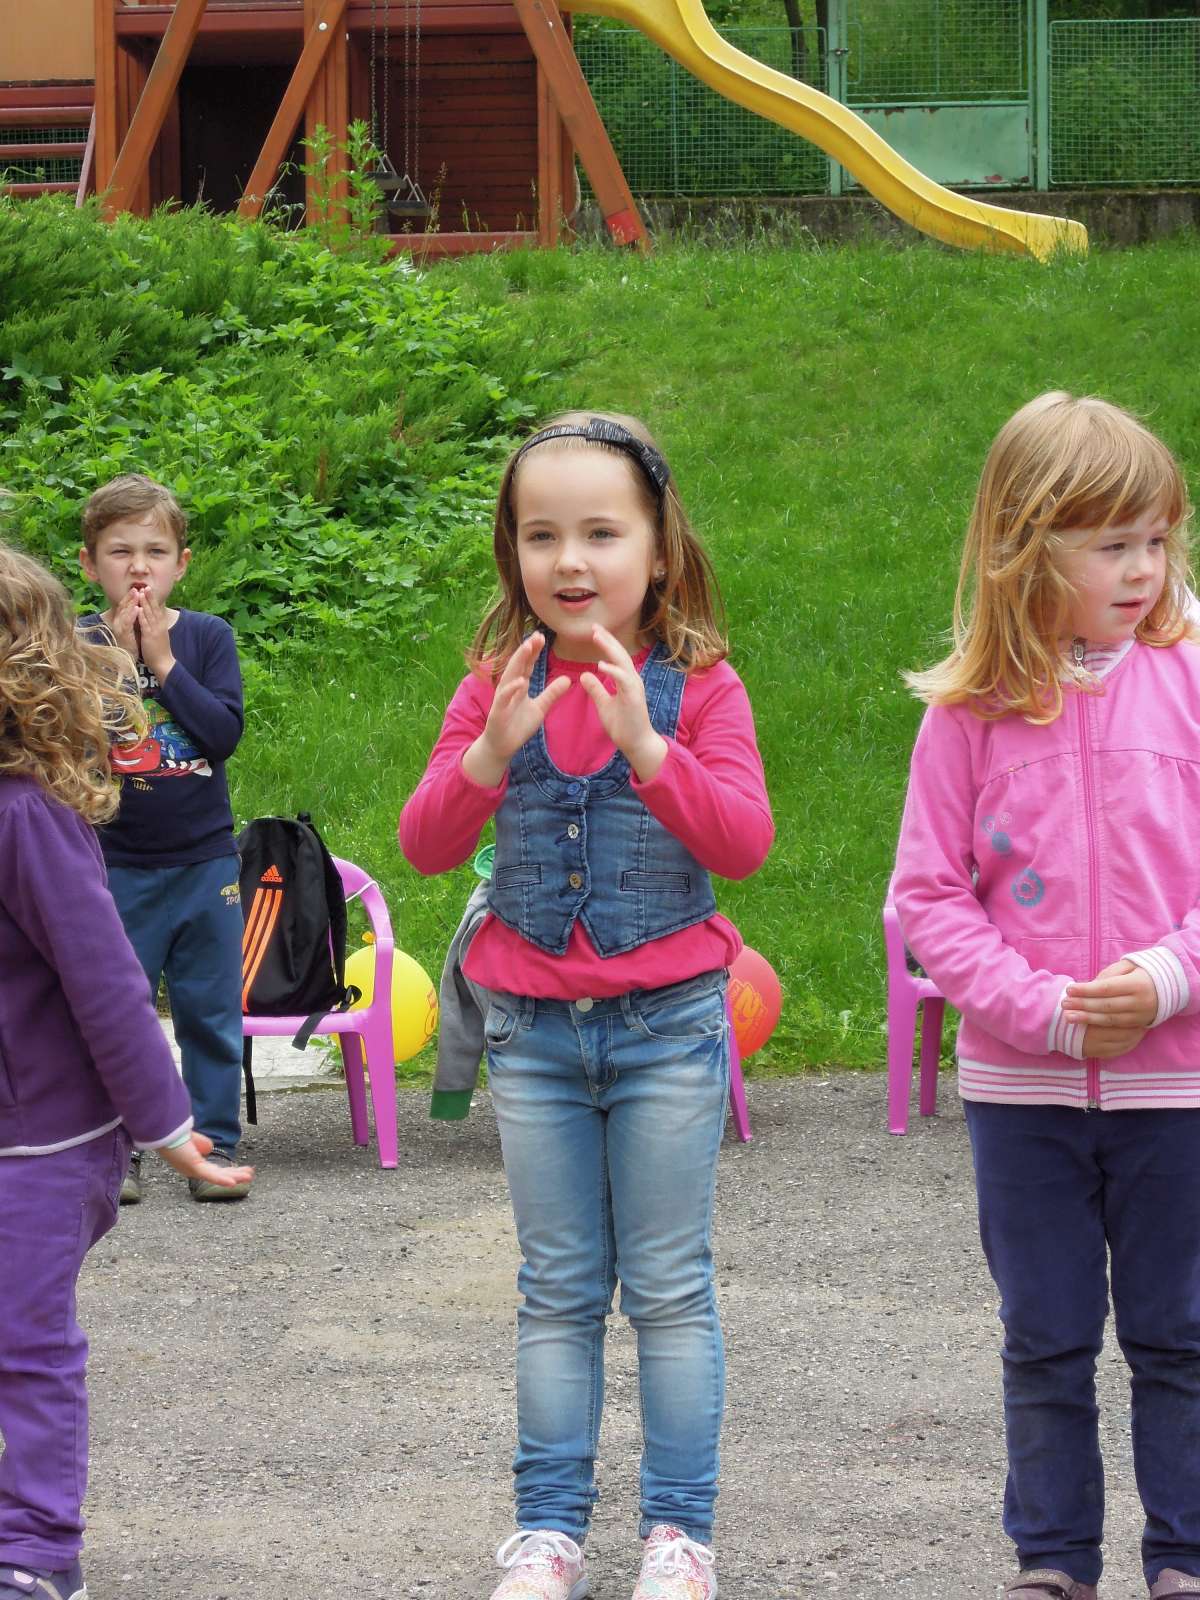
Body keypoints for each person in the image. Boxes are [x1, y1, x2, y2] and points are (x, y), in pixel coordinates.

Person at [400, 412, 772, 1600]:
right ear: (511, 552)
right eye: (540, 535)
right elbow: (424, 845)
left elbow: (744, 843)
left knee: (668, 1288)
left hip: (668, 1028)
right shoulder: (491, 687)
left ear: (658, 550)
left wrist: (650, 748)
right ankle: (548, 1530)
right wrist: (487, 754)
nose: (570, 560)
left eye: (602, 533)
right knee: (557, 1291)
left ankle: (679, 1536)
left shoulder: (703, 688)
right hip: (533, 1038)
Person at [892, 391, 1200, 1600]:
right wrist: (1047, 1009)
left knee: (1180, 1335)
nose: (1144, 567)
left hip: (1179, 1085)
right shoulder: (967, 711)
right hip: (1023, 1091)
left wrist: (1168, 979)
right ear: (1025, 547)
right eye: (1112, 543)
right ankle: (1055, 1560)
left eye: (1157, 538)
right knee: (1047, 1336)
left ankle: (1183, 1556)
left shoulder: (1190, 679)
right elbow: (929, 895)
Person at [0, 542, 253, 1600]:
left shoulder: (27, 817)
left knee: (23, 1347)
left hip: (39, 1145)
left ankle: (35, 1553)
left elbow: (107, 983)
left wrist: (169, 1125)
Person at [77, 474, 248, 1204]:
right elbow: (75, 749)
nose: (139, 568)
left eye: (155, 551)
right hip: (113, 863)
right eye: (121, 552)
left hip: (205, 858)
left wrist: (164, 663)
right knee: (120, 1012)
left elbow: (221, 734)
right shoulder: (77, 643)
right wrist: (120, 664)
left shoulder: (207, 638)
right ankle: (124, 1147)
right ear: (90, 565)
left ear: (182, 562)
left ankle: (216, 1141)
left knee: (211, 1009)